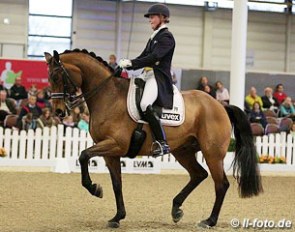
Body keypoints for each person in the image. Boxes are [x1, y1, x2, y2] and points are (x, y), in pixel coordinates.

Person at [118, 3, 174, 157]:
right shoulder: (153, 37)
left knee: (144, 104)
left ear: (162, 18)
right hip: (146, 75)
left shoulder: (166, 37)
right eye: (149, 17)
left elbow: (154, 57)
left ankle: (162, 143)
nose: (150, 19)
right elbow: (143, 57)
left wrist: (133, 63)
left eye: (153, 16)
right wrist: (126, 65)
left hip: (158, 76)